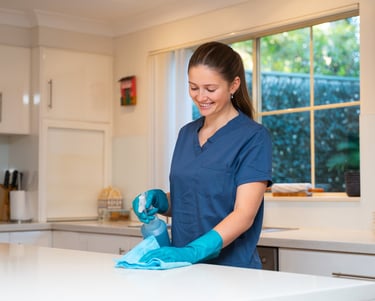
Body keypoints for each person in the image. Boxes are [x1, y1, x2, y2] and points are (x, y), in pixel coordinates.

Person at [132, 41, 272, 268]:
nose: (200, 97)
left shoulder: (253, 137)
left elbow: (244, 214)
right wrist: (161, 201)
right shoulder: (186, 134)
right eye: (193, 87)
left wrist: (193, 251)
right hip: (182, 268)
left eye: (210, 89)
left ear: (233, 85)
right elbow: (193, 199)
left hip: (232, 272)